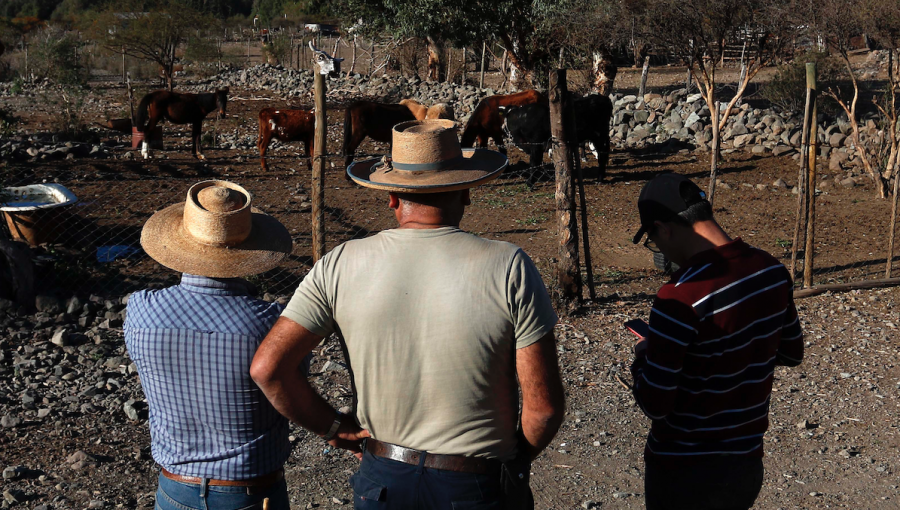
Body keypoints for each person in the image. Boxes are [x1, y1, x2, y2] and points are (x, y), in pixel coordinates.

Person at [251, 119, 566, 510]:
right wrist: (511, 463)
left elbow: (268, 368)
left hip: (382, 478)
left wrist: (334, 428)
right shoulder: (508, 266)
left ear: (392, 197)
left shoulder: (340, 263)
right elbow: (544, 408)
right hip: (475, 483)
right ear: (466, 191)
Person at [630, 173, 804, 510]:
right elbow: (791, 352)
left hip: (683, 472)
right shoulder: (771, 271)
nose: (659, 249)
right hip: (745, 464)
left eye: (653, 239)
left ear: (664, 228)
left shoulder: (679, 297)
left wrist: (642, 359)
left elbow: (655, 403)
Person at [124, 180, 303, 510]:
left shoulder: (140, 310)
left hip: (174, 488)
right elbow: (293, 390)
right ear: (251, 246)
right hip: (250, 491)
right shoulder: (271, 324)